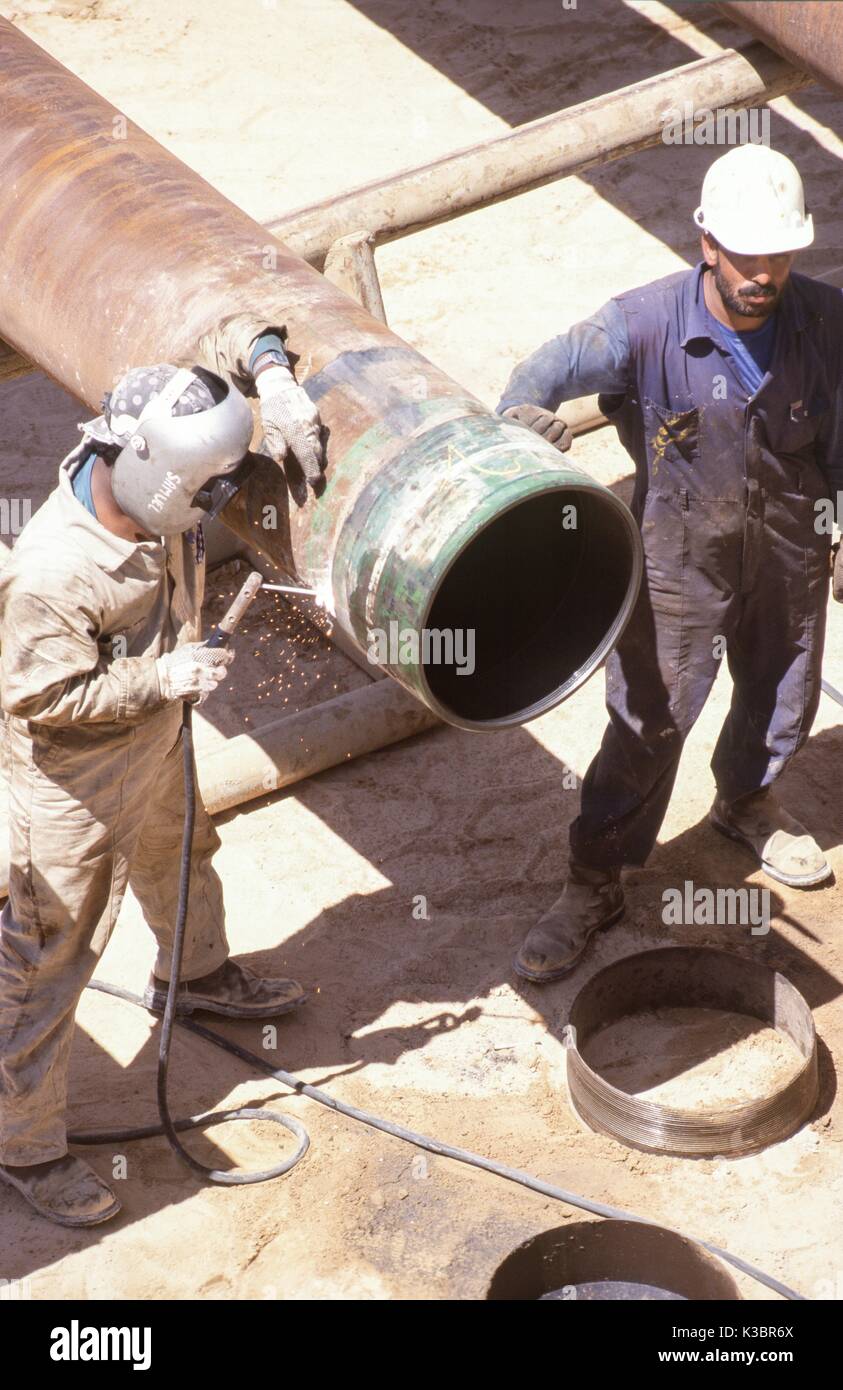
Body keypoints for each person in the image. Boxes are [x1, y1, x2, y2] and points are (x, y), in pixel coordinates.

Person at [0, 320, 322, 1226]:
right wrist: (160, 677)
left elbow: (221, 327)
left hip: (154, 737)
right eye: (207, 492)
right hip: (72, 786)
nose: (219, 501)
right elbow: (35, 695)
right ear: (150, 475)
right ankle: (23, 1147)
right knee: (47, 955)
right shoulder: (56, 573)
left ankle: (198, 978)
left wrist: (272, 373)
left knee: (183, 850)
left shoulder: (162, 440)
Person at [497, 144, 843, 984]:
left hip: (793, 541)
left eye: (778, 255)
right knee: (651, 718)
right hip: (675, 555)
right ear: (706, 243)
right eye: (746, 255)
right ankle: (596, 880)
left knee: (783, 687)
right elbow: (543, 372)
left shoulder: (825, 321)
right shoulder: (643, 324)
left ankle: (745, 800)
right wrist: (519, 416)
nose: (763, 273)